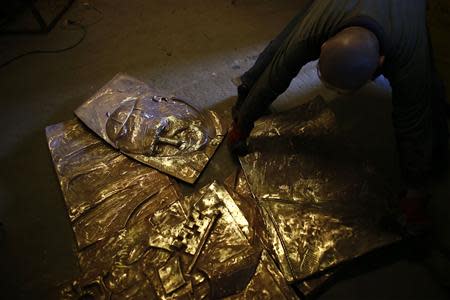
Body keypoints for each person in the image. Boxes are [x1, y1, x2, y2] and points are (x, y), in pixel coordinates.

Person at [228, 0, 449, 236]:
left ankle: (436, 152)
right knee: (287, 46)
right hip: (339, 6)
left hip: (406, 7)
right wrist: (242, 124)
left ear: (381, 62)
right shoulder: (316, 27)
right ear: (324, 44)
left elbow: (411, 120)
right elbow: (277, 73)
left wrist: (415, 191)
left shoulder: (407, 49)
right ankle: (247, 89)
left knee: (424, 91)